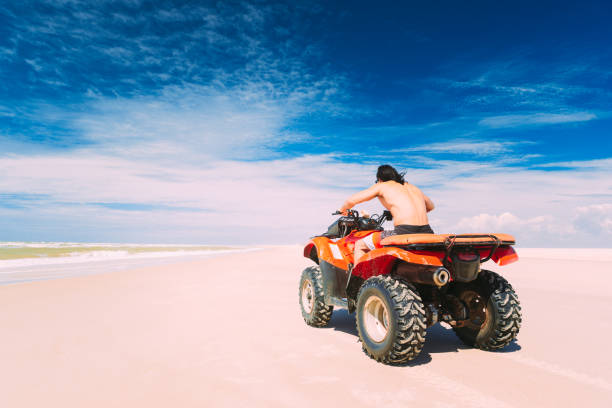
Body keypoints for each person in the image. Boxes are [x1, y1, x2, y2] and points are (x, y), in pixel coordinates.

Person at [338, 164, 435, 263]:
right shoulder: (413, 187)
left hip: (403, 232)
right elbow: (431, 206)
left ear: (380, 179)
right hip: (427, 231)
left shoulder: (382, 186)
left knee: (360, 245)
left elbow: (351, 201)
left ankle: (358, 277)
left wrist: (342, 210)